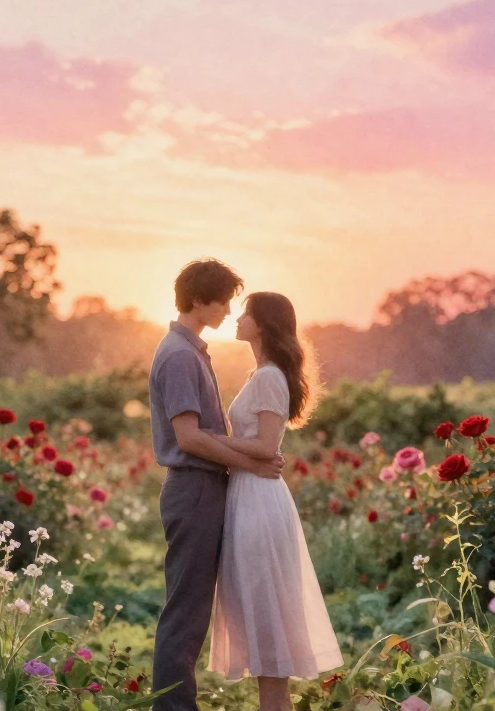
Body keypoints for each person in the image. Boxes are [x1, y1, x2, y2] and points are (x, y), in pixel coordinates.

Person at [149, 259, 285, 711]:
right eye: (223, 299)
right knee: (185, 614)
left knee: (191, 612)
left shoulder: (192, 351)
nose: (228, 309)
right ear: (200, 299)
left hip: (202, 487)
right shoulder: (181, 355)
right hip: (194, 488)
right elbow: (189, 438)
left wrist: (244, 464)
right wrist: (248, 463)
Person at [201, 292, 343, 711]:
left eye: (245, 313)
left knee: (266, 623)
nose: (237, 319)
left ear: (262, 324)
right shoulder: (261, 373)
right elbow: (261, 449)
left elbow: (265, 446)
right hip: (251, 495)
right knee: (261, 623)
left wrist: (204, 439)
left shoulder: (268, 377)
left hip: (258, 502)